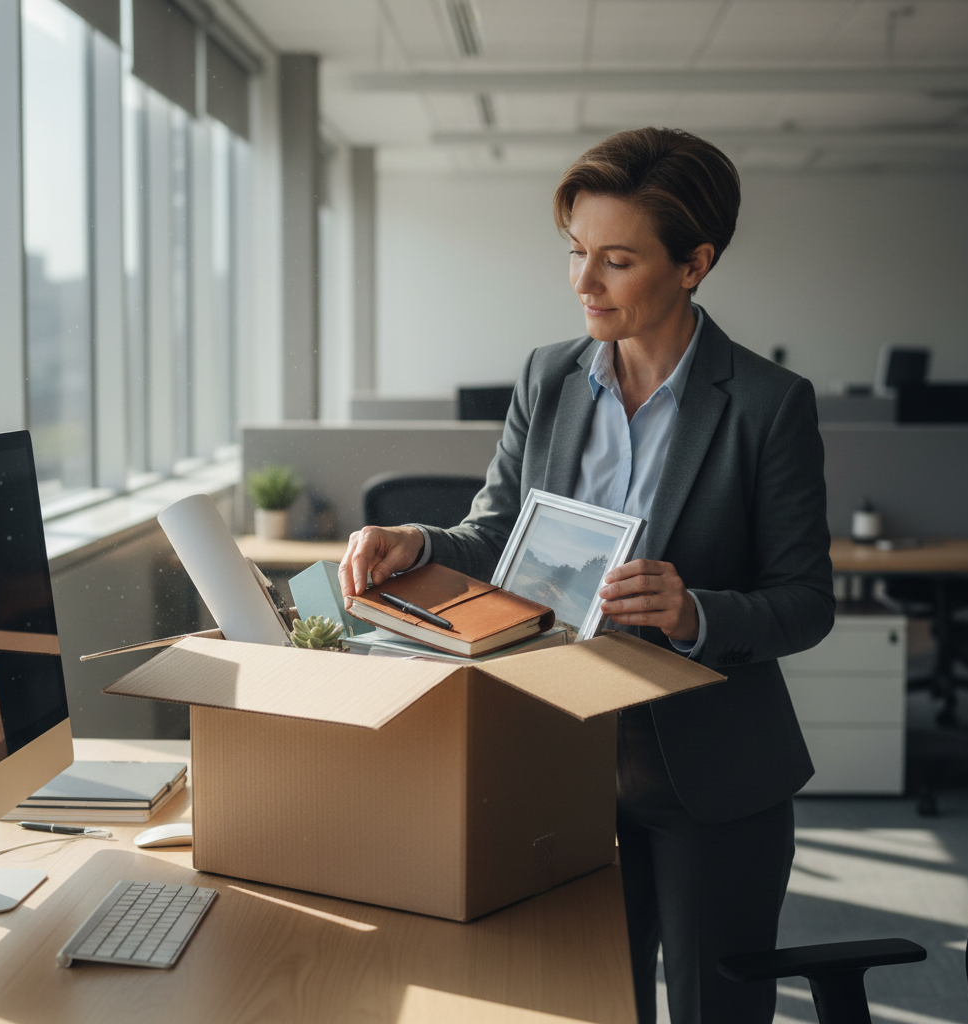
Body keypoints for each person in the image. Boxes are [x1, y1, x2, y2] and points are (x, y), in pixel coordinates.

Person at [339, 127, 834, 1024]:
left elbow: (805, 602)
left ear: (695, 264)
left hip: (708, 778)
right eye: (575, 253)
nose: (584, 283)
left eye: (616, 259)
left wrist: (695, 613)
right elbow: (497, 535)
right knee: (572, 1003)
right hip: (556, 760)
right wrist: (417, 540)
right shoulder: (550, 377)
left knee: (711, 1011)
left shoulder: (767, 405)